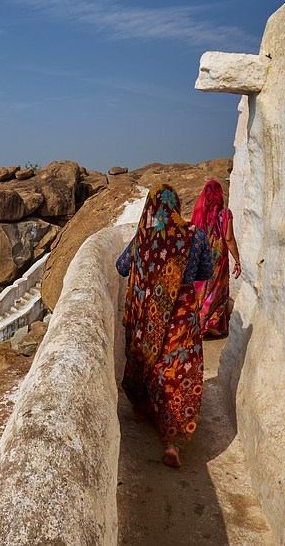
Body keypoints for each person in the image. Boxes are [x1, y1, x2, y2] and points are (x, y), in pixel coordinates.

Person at [116, 184, 213, 468]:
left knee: (151, 362)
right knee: (179, 369)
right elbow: (204, 272)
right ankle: (173, 442)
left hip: (148, 313)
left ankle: (144, 411)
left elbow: (121, 266)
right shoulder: (196, 235)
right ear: (177, 205)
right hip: (182, 313)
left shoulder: (145, 238)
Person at [189, 180, 241, 338]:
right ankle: (207, 323)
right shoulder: (225, 213)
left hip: (200, 256)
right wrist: (238, 260)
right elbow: (229, 238)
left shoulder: (199, 211)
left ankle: (197, 323)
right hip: (217, 259)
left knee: (201, 289)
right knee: (216, 290)